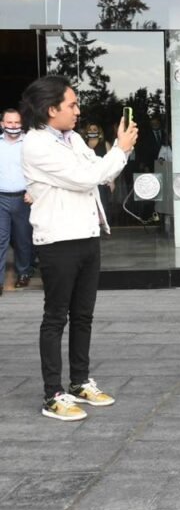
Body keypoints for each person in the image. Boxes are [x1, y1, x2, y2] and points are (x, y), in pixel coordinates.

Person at [20, 75, 138, 421]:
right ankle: (53, 394)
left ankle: (80, 382)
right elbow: (88, 176)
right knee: (56, 317)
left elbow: (99, 171)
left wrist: (117, 154)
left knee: (83, 315)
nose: (77, 111)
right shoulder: (36, 144)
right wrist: (121, 149)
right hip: (58, 240)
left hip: (87, 235)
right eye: (71, 104)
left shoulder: (72, 138)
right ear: (50, 109)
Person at [0, 108, 33, 293]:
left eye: (17, 122)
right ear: (2, 124)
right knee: (1, 240)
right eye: (9, 122)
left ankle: (23, 273)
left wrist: (33, 191)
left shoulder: (29, 144)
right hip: (1, 198)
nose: (13, 126)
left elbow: (38, 170)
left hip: (24, 199)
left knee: (23, 239)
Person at [81, 121, 116, 223]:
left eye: (95, 129)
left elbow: (112, 164)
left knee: (103, 206)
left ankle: (104, 227)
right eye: (90, 130)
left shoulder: (105, 144)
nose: (92, 131)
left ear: (99, 132)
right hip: (86, 180)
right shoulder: (82, 145)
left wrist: (112, 181)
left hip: (102, 181)